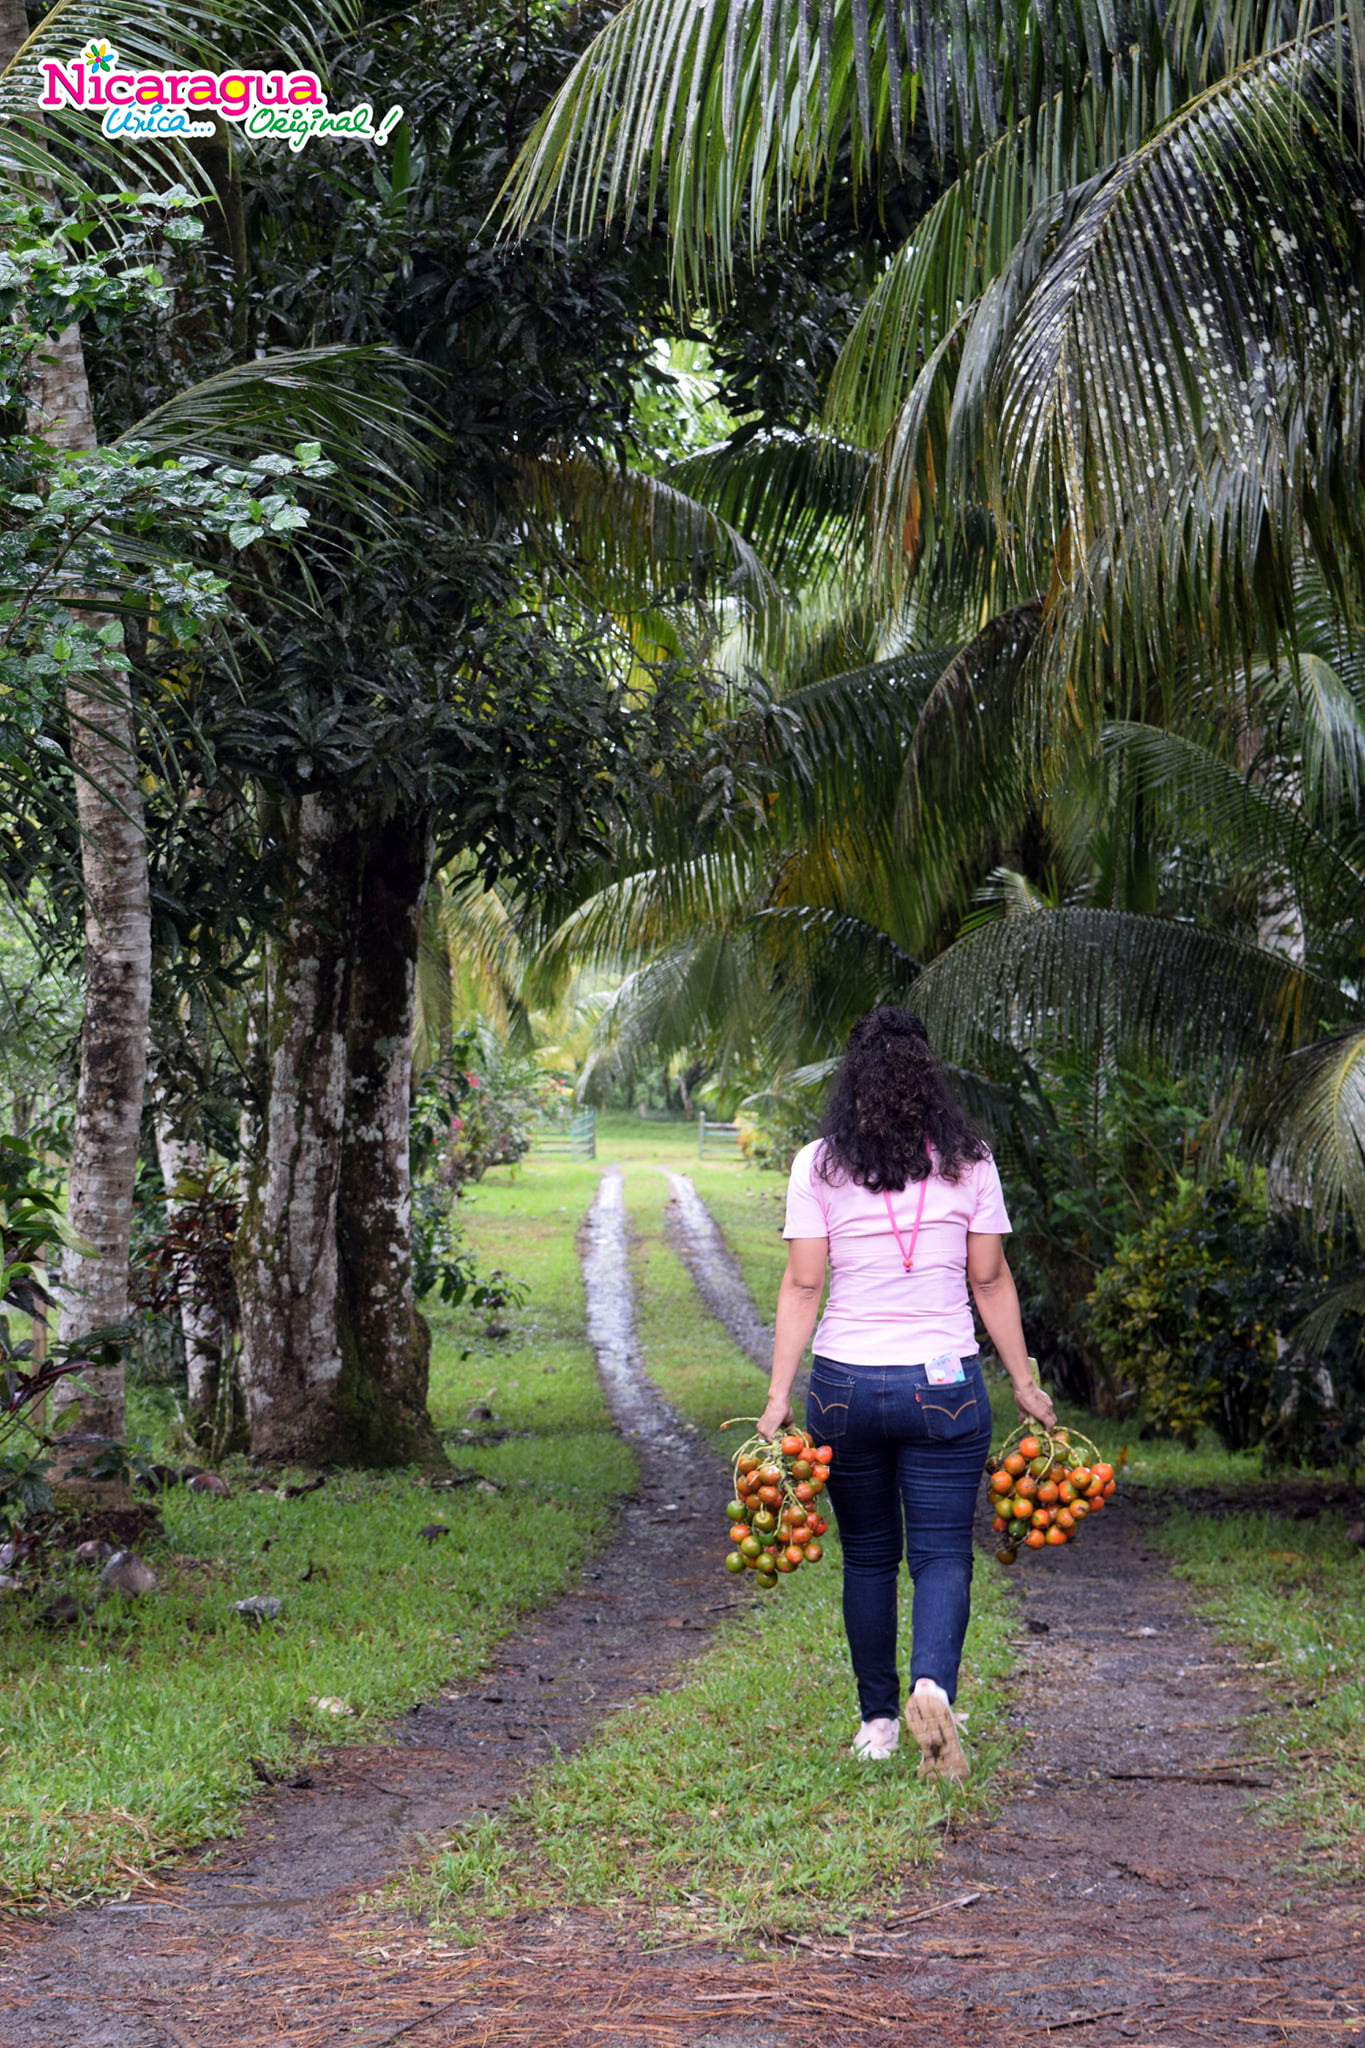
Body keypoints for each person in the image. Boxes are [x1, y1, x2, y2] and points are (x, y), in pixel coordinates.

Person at [757, 1007, 1055, 1778]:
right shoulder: (971, 1163)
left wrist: (777, 1394)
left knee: (866, 1559)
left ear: (851, 1080)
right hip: (945, 1386)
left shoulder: (816, 1165)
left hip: (845, 1386)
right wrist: (1023, 1383)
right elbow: (986, 1279)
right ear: (929, 1081)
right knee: (940, 1556)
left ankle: (879, 1724)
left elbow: (802, 1282)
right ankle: (933, 1687)